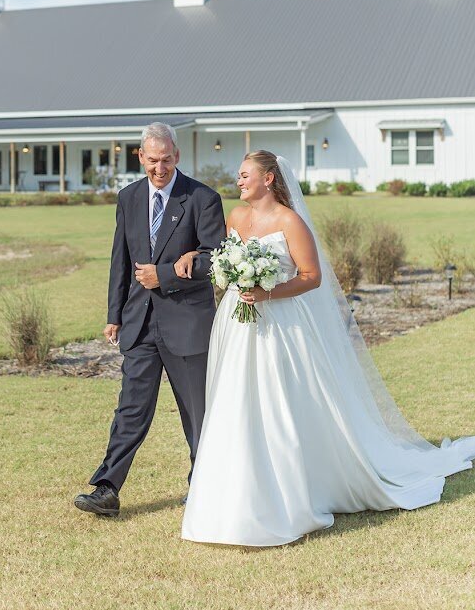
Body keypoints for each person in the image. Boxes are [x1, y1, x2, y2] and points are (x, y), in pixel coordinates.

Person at [180, 150, 475, 546]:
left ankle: (291, 492)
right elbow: (222, 261)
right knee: (233, 399)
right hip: (235, 321)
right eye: (239, 175)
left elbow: (311, 277)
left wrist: (268, 292)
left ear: (269, 178)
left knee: (277, 401)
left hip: (278, 322)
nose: (239, 180)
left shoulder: (289, 221)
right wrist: (222, 273)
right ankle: (231, 492)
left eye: (245, 174)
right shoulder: (235, 218)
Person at [74, 122, 226, 517]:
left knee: (197, 412)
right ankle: (107, 488)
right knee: (131, 409)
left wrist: (168, 275)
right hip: (139, 323)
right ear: (140, 157)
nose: (159, 168)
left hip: (188, 324)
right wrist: (114, 313)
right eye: (152, 161)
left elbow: (217, 261)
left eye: (166, 160)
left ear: (177, 157)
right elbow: (120, 259)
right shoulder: (128, 197)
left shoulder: (202, 199)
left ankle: (205, 485)